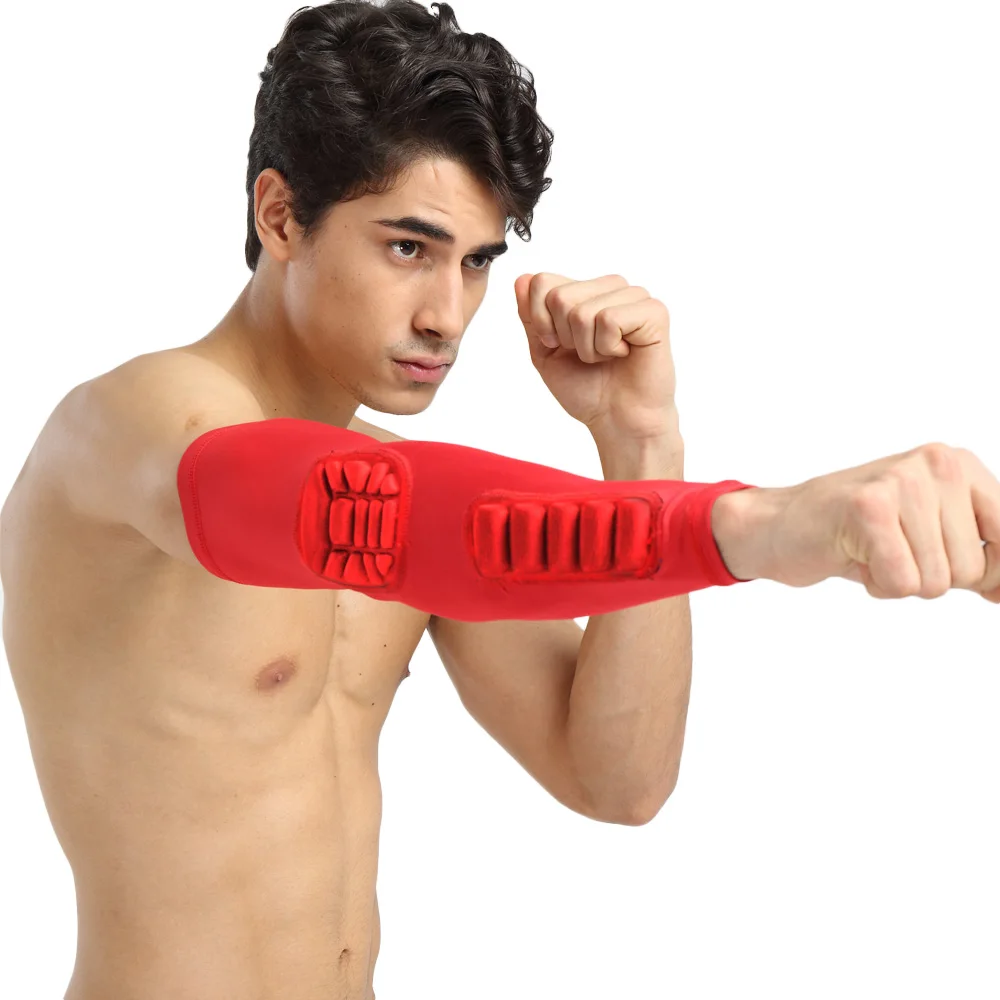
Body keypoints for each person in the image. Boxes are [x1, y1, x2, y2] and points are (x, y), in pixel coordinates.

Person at [2, 3, 998, 999]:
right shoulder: (132, 430)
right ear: (280, 215)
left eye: (476, 261)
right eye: (409, 247)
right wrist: (754, 524)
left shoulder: (417, 505)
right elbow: (365, 518)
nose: (448, 315)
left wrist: (642, 448)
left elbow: (616, 779)